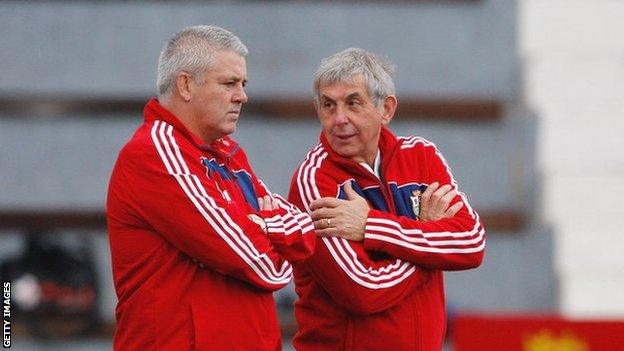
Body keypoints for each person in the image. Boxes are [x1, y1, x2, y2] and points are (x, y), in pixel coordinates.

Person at [106, 25, 315, 351]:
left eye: (243, 84)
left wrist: (264, 226)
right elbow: (264, 267)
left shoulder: (229, 153)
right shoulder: (153, 153)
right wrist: (270, 231)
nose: (242, 96)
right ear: (186, 85)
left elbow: (303, 228)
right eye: (229, 83)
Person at [287, 48, 486, 350]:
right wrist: (429, 244)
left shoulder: (421, 155)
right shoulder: (314, 180)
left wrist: (371, 226)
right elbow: (364, 290)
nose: (339, 119)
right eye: (328, 105)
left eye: (353, 103)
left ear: (386, 109)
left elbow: (471, 244)